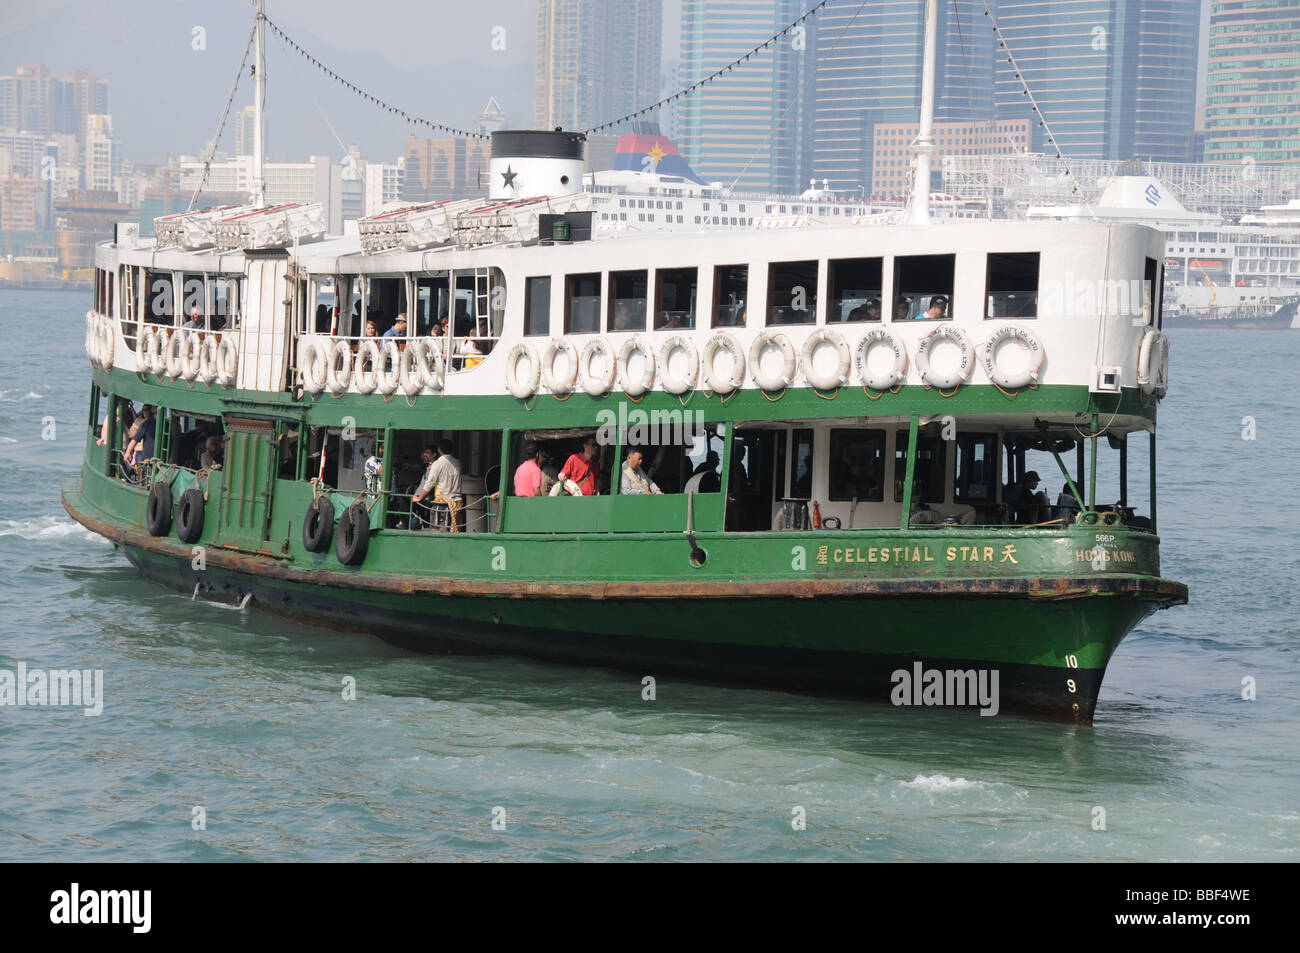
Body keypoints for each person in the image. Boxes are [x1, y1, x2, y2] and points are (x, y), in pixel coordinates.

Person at [414, 440, 463, 530]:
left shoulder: (437, 464)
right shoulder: (458, 463)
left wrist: (419, 497)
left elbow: (430, 483)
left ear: (439, 450)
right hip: (456, 502)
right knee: (455, 529)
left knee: (439, 530)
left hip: (442, 503)